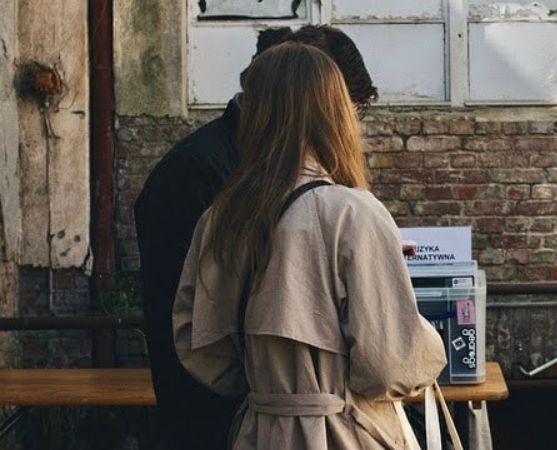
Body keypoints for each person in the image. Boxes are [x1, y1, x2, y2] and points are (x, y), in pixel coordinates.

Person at [172, 42, 446, 449]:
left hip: (259, 432)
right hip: (347, 432)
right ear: (334, 114)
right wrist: (424, 338)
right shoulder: (353, 213)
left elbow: (199, 347)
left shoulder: (221, 218)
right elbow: (391, 366)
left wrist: (274, 387)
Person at [134, 26, 378, 450]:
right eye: (344, 109)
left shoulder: (267, 178)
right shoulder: (197, 175)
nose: (349, 128)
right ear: (310, 101)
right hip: (224, 425)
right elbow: (192, 333)